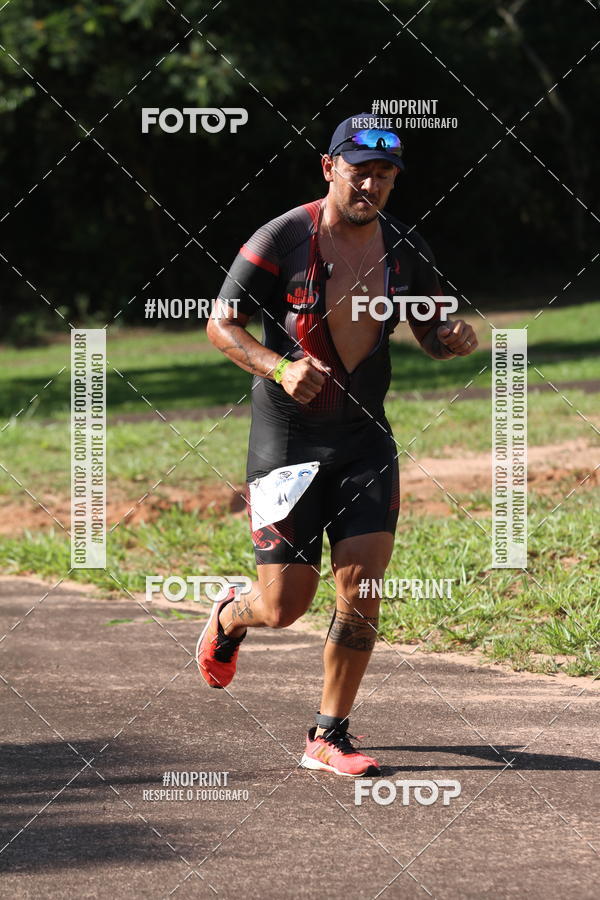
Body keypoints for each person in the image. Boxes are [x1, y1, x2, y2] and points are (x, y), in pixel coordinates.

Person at [196, 114, 478, 777]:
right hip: (288, 442)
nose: (372, 186)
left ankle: (329, 733)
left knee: (363, 587)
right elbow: (220, 325)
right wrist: (279, 367)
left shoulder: (405, 248)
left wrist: (453, 339)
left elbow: (434, 333)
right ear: (330, 169)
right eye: (360, 172)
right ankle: (233, 616)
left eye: (385, 175)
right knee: (284, 606)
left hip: (365, 443)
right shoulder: (283, 239)